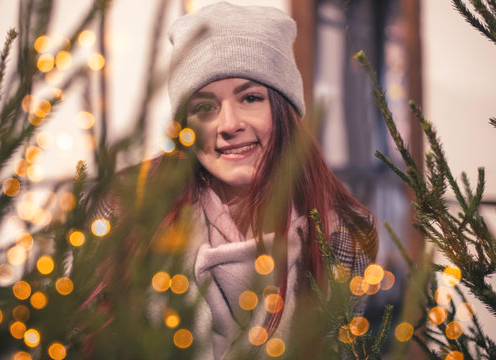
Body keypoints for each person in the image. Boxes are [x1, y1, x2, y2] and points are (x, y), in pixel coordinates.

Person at [92, 2, 377, 359]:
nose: (228, 125)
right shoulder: (126, 205)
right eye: (204, 108)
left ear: (285, 110)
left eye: (251, 98)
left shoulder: (343, 236)